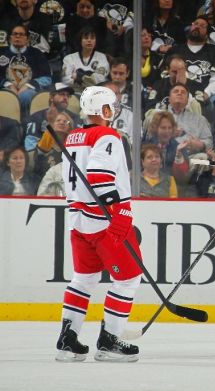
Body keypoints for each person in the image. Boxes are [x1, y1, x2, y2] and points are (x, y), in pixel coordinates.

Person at [55, 86, 141, 362]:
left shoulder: (73, 137)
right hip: (104, 221)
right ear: (102, 110)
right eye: (110, 106)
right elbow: (99, 175)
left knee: (84, 278)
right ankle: (109, 342)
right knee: (128, 279)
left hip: (78, 220)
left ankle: (68, 340)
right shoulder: (107, 134)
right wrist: (118, 211)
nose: (112, 110)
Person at [0, 24, 52, 113]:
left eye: (21, 34)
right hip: (4, 90)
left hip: (29, 91)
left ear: (27, 39)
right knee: (7, 97)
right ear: (10, 38)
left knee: (26, 96)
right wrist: (9, 85)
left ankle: (25, 124)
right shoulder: (1, 52)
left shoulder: (37, 54)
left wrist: (27, 86)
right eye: (15, 34)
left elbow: (47, 78)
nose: (18, 36)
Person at [23, 83, 80, 152]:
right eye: (62, 94)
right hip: (45, 158)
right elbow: (30, 147)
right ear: (51, 97)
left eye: (68, 96)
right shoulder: (37, 117)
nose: (65, 98)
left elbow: (80, 143)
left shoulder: (75, 118)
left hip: (69, 156)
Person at [61, 26, 110, 93]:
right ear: (80, 40)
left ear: (96, 41)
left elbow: (100, 79)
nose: (89, 40)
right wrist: (90, 76)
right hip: (75, 93)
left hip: (95, 93)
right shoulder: (69, 58)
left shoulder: (102, 57)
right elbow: (66, 79)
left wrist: (78, 76)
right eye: (86, 38)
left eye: (92, 38)